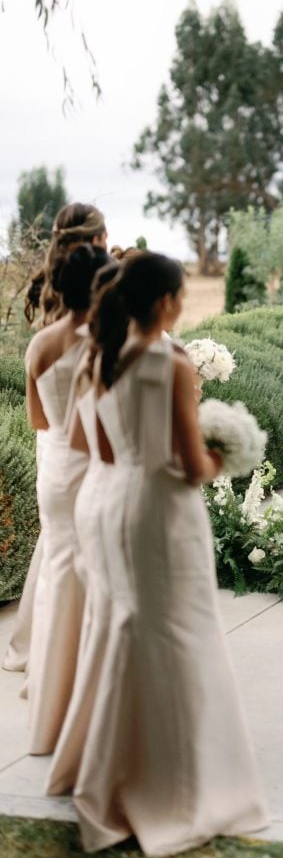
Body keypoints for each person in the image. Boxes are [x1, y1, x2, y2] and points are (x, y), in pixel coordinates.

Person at [47, 252, 268, 855]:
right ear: (168, 302)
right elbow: (191, 466)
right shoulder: (167, 362)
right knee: (177, 633)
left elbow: (88, 445)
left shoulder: (97, 356)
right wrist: (229, 455)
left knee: (122, 626)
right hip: (159, 511)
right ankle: (171, 786)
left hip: (106, 500)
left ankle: (103, 770)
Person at [4, 203, 108, 675]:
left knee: (60, 556)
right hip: (100, 455)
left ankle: (47, 657)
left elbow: (39, 419)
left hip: (58, 455)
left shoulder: (40, 341)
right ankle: (87, 663)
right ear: (101, 241)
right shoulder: (110, 333)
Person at [21, 244, 113, 754]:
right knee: (97, 577)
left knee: (60, 573)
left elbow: (38, 420)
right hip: (94, 464)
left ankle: (48, 700)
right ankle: (88, 700)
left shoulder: (39, 343)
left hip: (54, 468)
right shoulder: (104, 342)